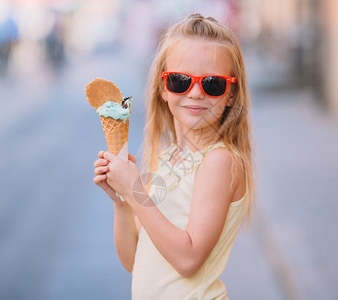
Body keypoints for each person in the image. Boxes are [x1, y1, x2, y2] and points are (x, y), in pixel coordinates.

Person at [93, 13, 255, 299]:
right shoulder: (169, 158)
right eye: (180, 81)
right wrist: (121, 202)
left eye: (213, 84)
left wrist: (134, 190)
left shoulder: (219, 161)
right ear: (163, 89)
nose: (195, 93)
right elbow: (134, 260)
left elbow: (189, 259)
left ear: (231, 93)